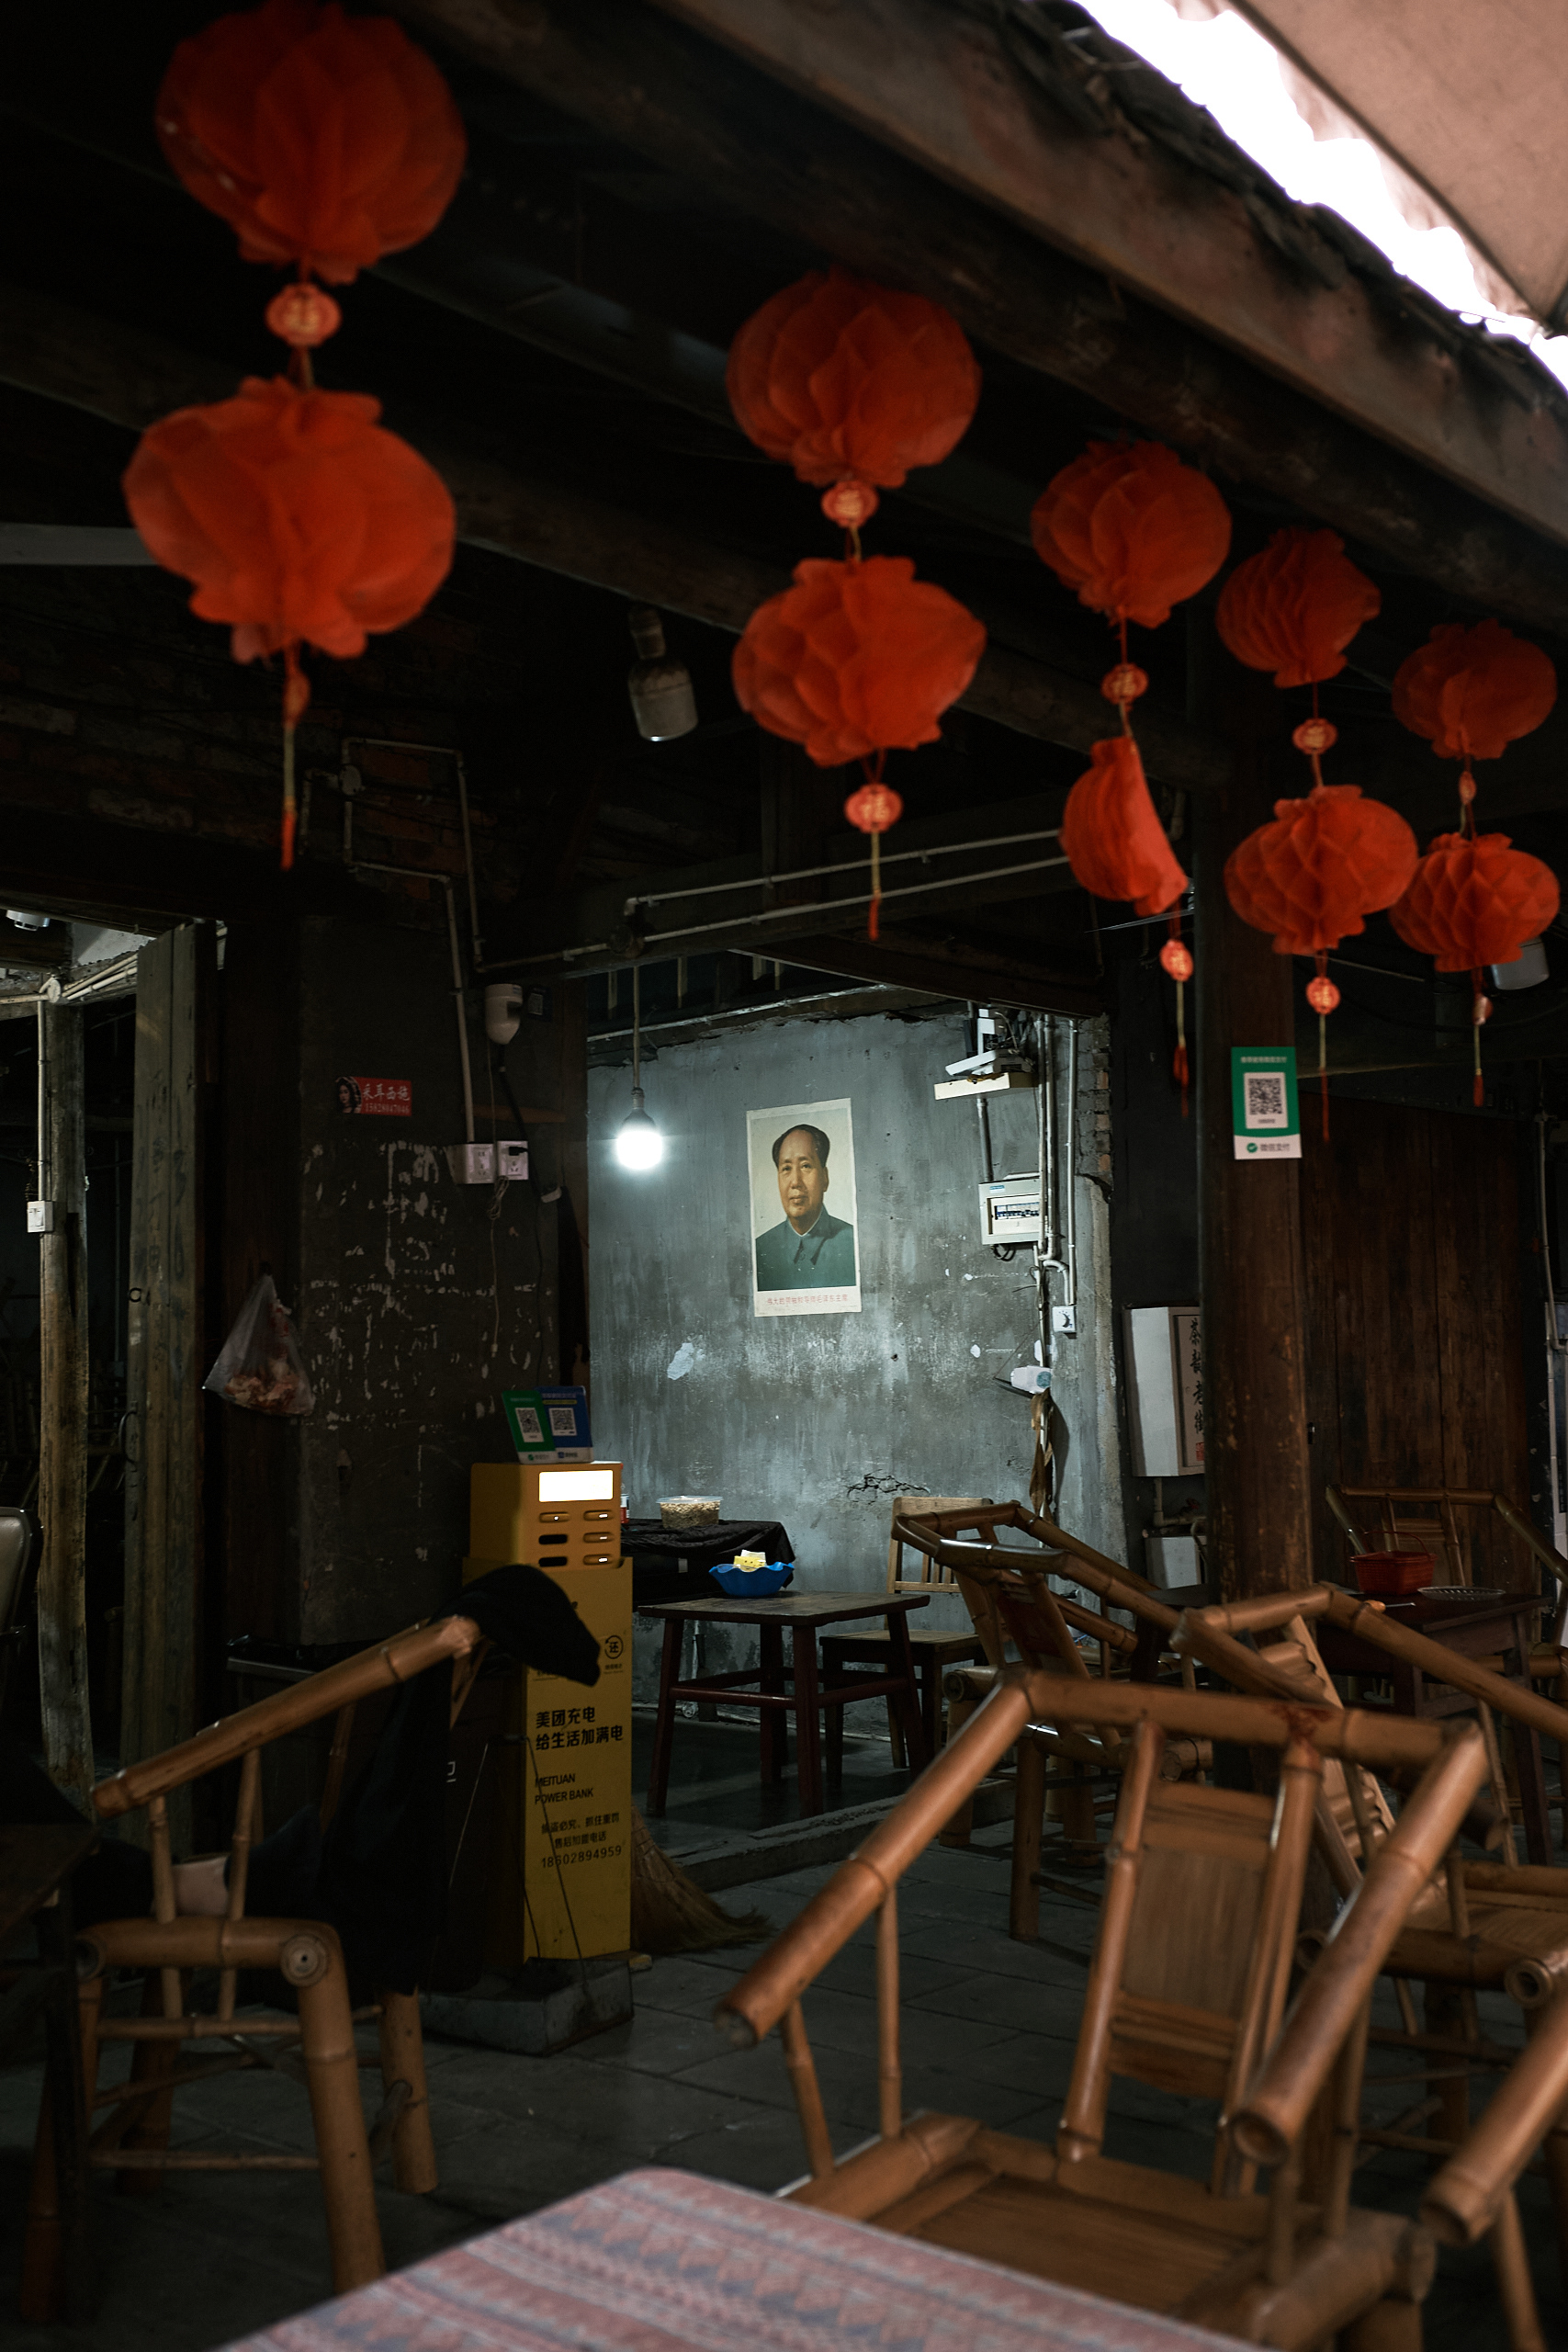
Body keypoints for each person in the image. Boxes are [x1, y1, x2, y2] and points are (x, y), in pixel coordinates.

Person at [753, 1123, 857, 1290]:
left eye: (806, 1166)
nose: (795, 1182)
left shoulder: (855, 1245)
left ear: (825, 1178)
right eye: (786, 1168)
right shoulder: (758, 1250)